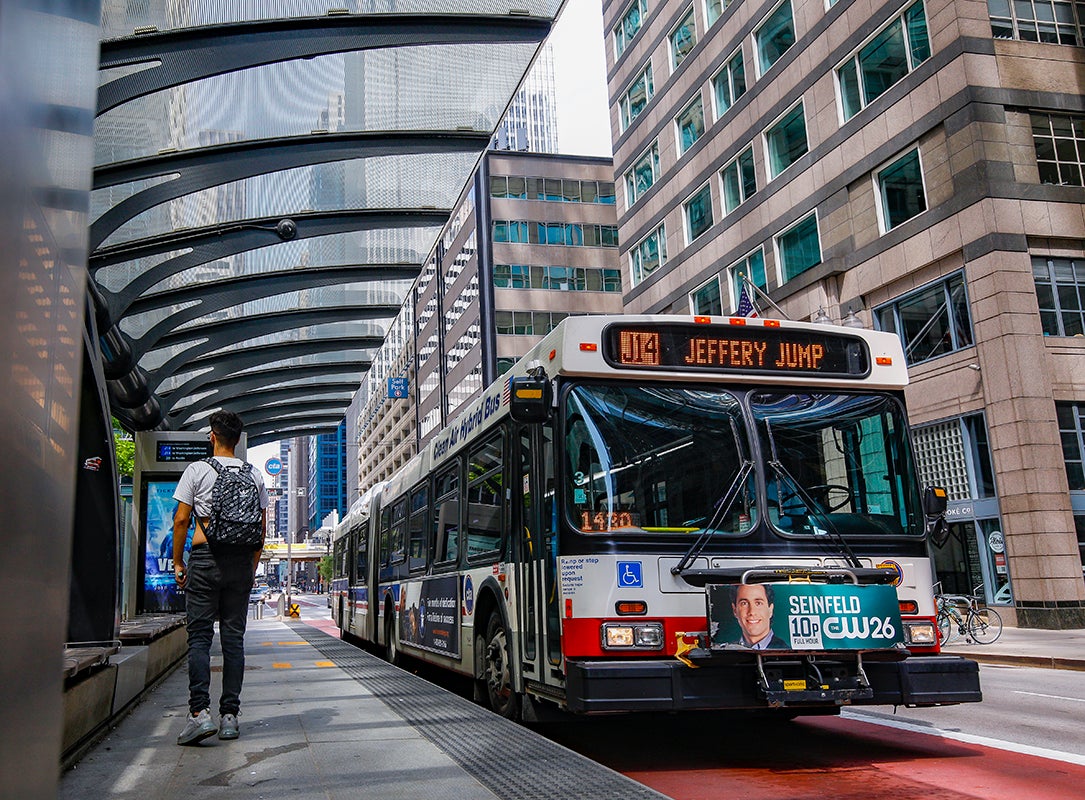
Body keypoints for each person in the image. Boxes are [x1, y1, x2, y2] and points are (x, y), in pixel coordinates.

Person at [172, 411, 268, 745]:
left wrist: (177, 563)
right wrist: (251, 571)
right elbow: (261, 531)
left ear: (212, 437)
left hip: (205, 559)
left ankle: (199, 715)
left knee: (199, 638)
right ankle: (230, 717)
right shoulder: (254, 474)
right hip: (240, 564)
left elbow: (182, 520)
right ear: (239, 441)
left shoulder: (197, 470)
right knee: (233, 640)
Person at [730, 583, 787, 650]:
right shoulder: (727, 650)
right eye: (744, 603)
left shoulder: (786, 651)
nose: (752, 612)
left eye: (758, 603)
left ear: (770, 610)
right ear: (735, 610)